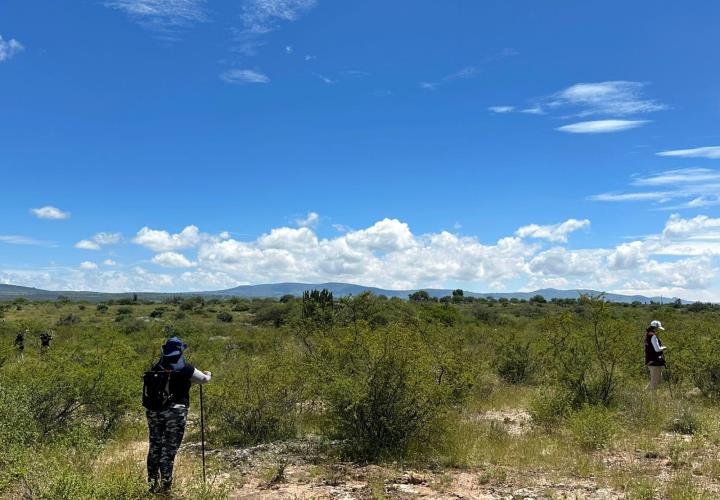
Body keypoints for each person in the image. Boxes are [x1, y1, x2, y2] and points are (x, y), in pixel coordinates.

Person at [144, 336, 211, 493]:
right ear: (181, 350)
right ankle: (166, 489)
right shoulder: (185, 368)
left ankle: (152, 487)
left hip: (154, 411)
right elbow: (203, 380)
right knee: (168, 451)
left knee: (155, 448)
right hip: (175, 412)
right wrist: (208, 374)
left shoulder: (156, 367)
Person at [645, 320, 667, 391]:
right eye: (658, 329)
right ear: (655, 328)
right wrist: (663, 348)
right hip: (654, 361)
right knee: (656, 381)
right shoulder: (653, 336)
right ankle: (651, 398)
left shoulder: (647, 334)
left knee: (655, 380)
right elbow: (657, 349)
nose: (659, 331)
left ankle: (644, 394)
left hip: (650, 360)